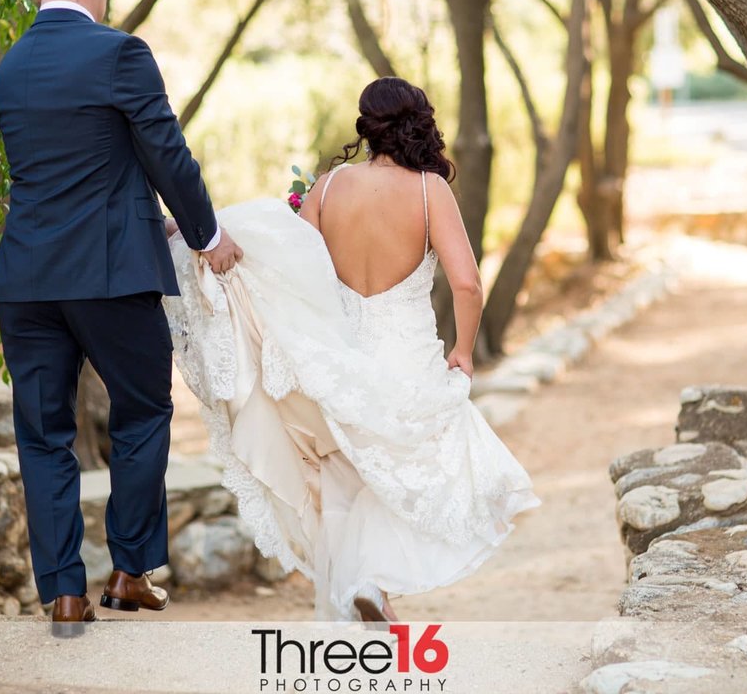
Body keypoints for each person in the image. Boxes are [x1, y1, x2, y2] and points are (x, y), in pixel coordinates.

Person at [164, 77, 539, 621]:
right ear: (419, 122)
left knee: (345, 472)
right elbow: (467, 285)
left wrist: (203, 231)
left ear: (366, 125)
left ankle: (359, 593)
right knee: (404, 472)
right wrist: (463, 349)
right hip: (402, 355)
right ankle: (371, 581)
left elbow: (290, 263)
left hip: (334, 356)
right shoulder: (431, 191)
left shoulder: (330, 186)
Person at [0, 0, 241, 636]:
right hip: (109, 276)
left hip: (27, 279)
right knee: (142, 410)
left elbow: (67, 171)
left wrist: (145, 218)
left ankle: (64, 594)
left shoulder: (11, 67)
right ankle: (129, 573)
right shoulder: (120, 52)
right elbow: (166, 151)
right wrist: (206, 235)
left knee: (43, 435)